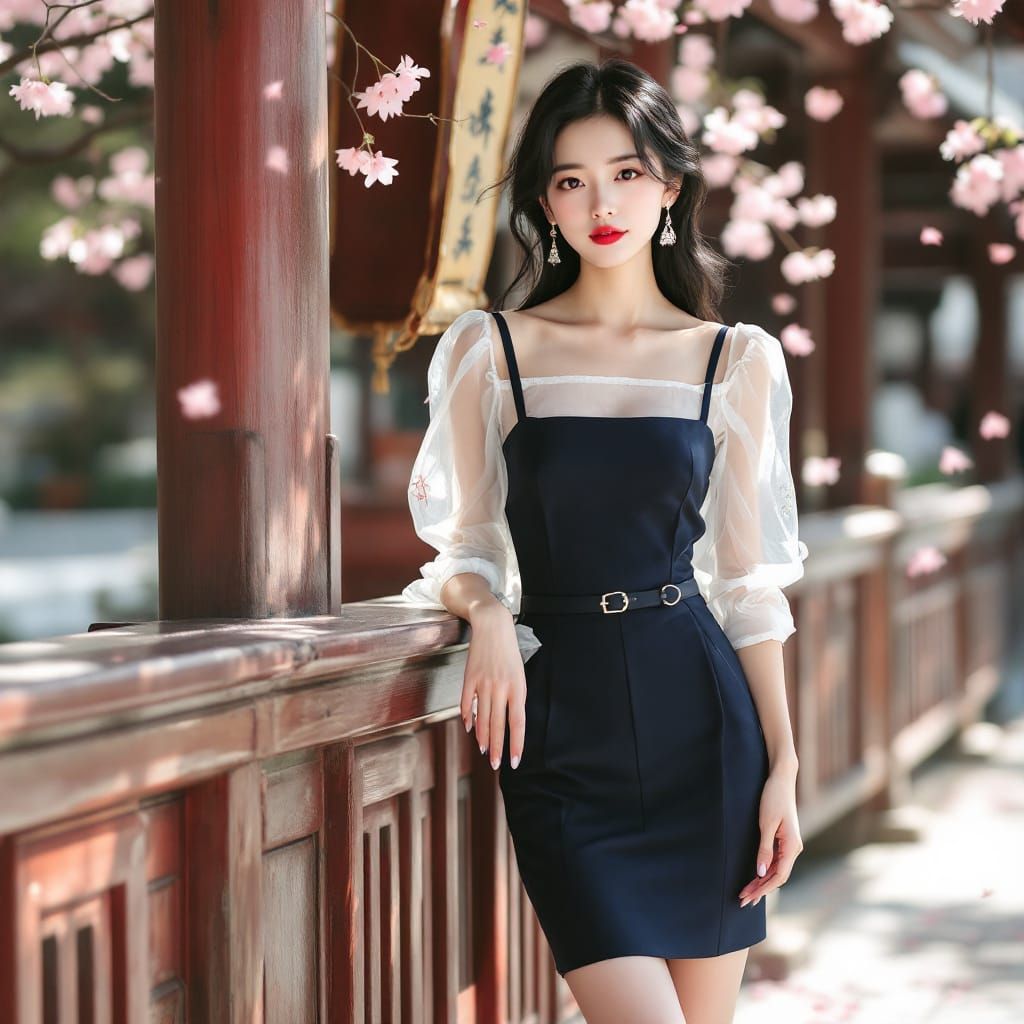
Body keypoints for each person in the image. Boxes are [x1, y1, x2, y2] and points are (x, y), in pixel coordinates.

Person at [400, 56, 809, 1024]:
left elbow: (746, 587)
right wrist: (489, 612)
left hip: (702, 725)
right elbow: (461, 543)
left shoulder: (733, 360)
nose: (601, 203)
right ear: (543, 202)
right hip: (561, 730)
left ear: (670, 186)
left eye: (626, 173)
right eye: (570, 180)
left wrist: (783, 767)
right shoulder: (489, 350)